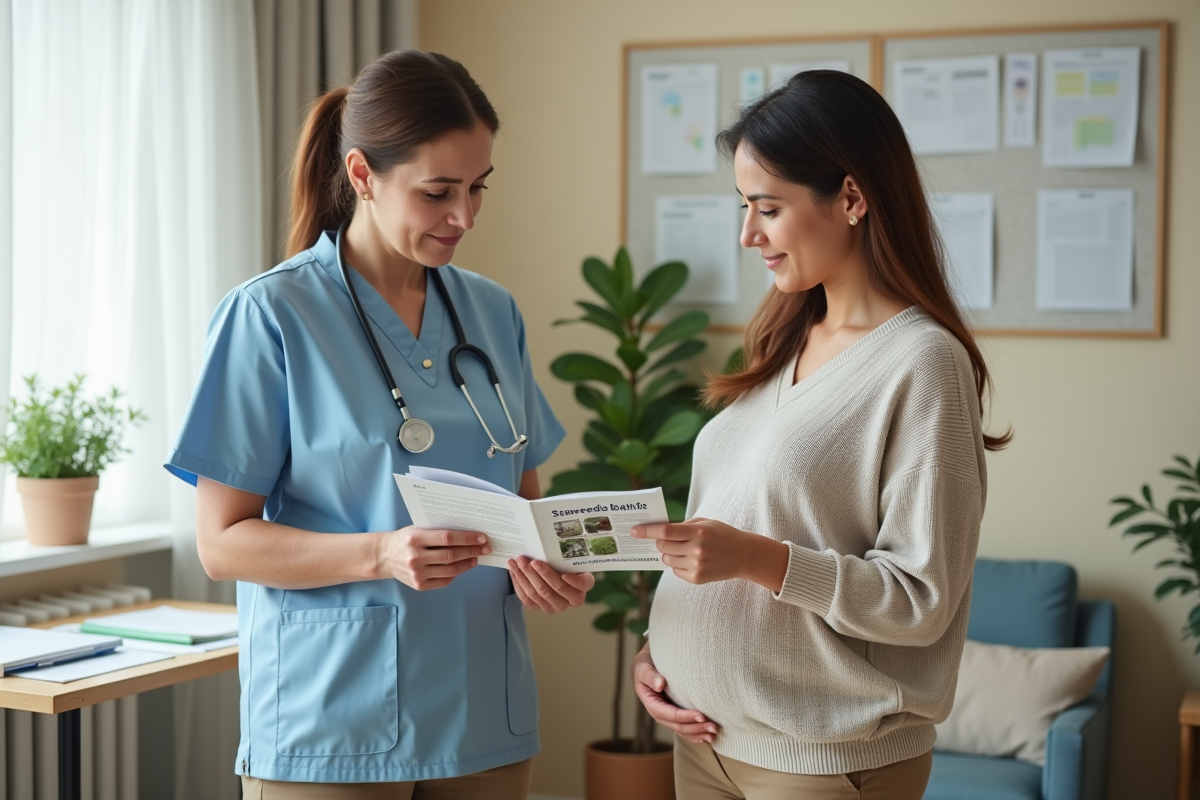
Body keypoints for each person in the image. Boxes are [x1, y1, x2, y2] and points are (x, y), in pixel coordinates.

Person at [164, 50, 591, 799]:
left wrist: (549, 567)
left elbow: (525, 504)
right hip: (334, 716)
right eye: (437, 192)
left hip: (482, 713)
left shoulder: (493, 312)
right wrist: (381, 554)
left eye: (477, 188)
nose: (464, 216)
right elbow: (221, 544)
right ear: (362, 174)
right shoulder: (270, 316)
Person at [629, 69, 1010, 800]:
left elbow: (920, 599)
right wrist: (661, 649)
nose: (748, 234)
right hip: (705, 742)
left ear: (852, 198)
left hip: (821, 761)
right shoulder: (784, 340)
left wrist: (756, 559)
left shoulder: (923, 362)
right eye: (744, 207)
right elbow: (742, 517)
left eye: (768, 208)